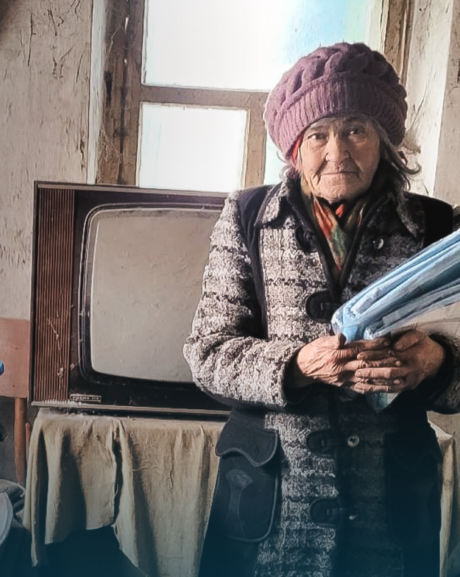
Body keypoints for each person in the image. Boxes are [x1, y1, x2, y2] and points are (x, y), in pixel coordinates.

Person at [183, 42, 460, 577]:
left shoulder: (436, 226)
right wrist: (295, 366)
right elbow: (208, 353)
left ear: (384, 140)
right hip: (270, 504)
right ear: (294, 149)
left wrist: (437, 363)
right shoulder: (246, 218)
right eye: (318, 135)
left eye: (355, 129)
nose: (338, 151)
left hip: (390, 511)